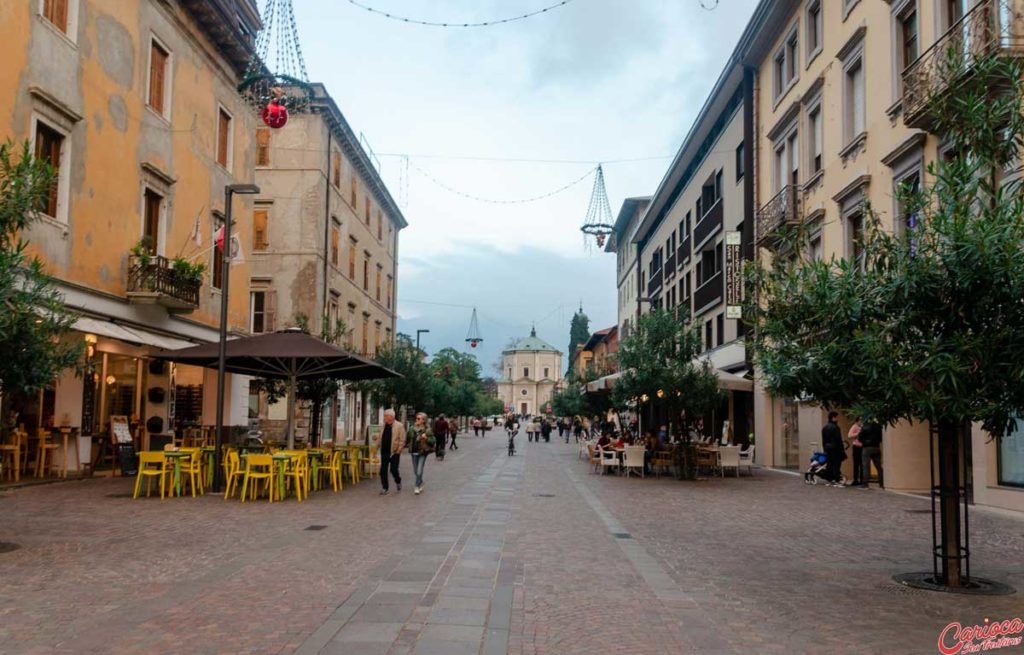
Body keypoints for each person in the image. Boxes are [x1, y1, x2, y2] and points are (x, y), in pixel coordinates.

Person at [377, 409, 406, 495]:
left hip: (394, 452)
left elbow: (402, 439)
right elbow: (380, 437)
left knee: (393, 469)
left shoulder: (399, 426)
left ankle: (398, 481)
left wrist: (398, 450)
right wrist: (376, 446)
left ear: (391, 417)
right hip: (384, 451)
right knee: (383, 470)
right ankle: (385, 487)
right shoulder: (383, 425)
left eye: (385, 416)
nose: (384, 417)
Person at [409, 412, 434, 495]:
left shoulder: (427, 429)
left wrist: (426, 438)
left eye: (420, 419)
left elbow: (433, 441)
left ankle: (416, 486)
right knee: (416, 471)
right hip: (414, 451)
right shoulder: (412, 428)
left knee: (419, 471)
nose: (418, 420)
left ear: (424, 420)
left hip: (423, 452)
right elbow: (408, 438)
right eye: (417, 418)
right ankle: (421, 482)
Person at [821, 410, 845, 487]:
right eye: (836, 417)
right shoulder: (836, 427)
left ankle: (829, 480)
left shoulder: (825, 428)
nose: (837, 419)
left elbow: (824, 440)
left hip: (828, 448)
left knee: (829, 464)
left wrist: (825, 449)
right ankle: (837, 480)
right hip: (836, 449)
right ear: (833, 418)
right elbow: (838, 439)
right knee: (836, 465)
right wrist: (842, 449)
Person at [859, 420, 884, 489]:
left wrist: (865, 442)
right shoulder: (878, 426)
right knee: (879, 466)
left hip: (866, 448)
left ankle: (865, 484)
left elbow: (860, 437)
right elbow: (881, 437)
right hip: (876, 447)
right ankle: (882, 483)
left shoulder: (864, 426)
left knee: (866, 466)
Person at [848, 418, 864, 486]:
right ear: (857, 421)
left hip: (863, 447)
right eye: (860, 421)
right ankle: (855, 480)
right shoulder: (854, 426)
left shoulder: (863, 426)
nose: (861, 422)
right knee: (856, 464)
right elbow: (849, 435)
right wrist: (858, 433)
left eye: (862, 420)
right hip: (856, 447)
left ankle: (862, 480)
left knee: (862, 464)